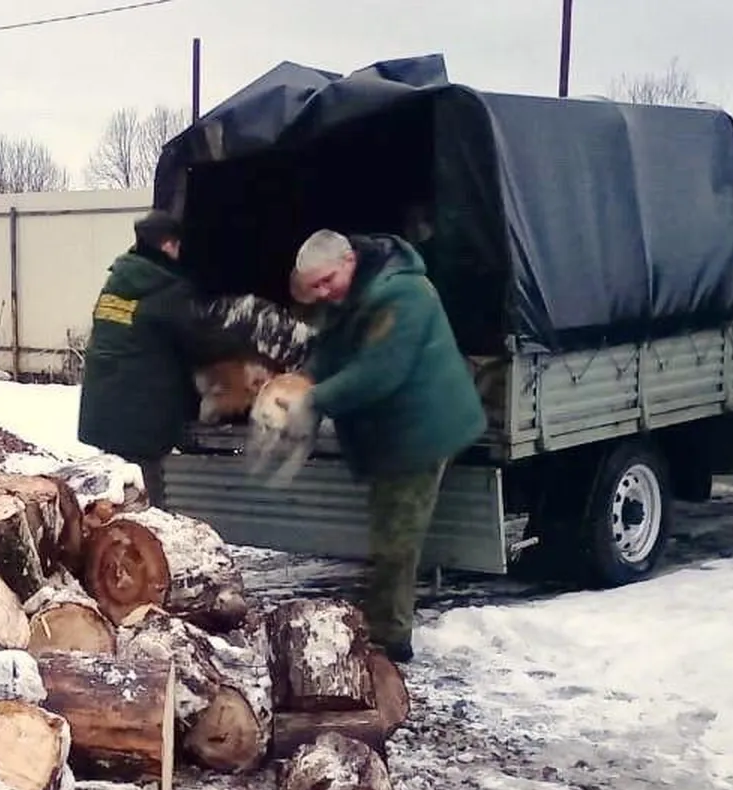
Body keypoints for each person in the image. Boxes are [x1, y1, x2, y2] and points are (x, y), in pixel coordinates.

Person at [276, 228, 486, 663]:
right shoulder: (350, 295)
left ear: (349, 260)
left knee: (397, 535)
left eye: (325, 281)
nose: (320, 294)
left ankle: (391, 639)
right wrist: (303, 378)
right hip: (393, 431)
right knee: (388, 524)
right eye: (313, 286)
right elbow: (331, 351)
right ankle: (383, 617)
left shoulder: (404, 295)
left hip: (424, 429)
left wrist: (312, 399)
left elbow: (378, 374)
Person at [76, 210, 249, 504]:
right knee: (145, 487)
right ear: (168, 245)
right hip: (140, 412)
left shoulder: (119, 280)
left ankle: (114, 540)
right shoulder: (167, 288)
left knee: (116, 484)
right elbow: (203, 341)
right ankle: (148, 538)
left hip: (104, 402)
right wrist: (244, 348)